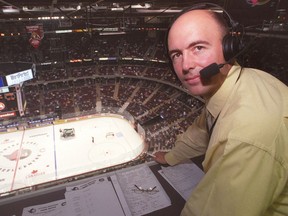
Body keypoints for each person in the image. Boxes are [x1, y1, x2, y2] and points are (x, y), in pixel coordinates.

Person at [153, 3, 288, 216]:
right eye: (176, 55)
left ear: (229, 48)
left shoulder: (245, 135)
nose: (185, 65)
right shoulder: (241, 82)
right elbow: (201, 131)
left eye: (198, 47)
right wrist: (171, 157)